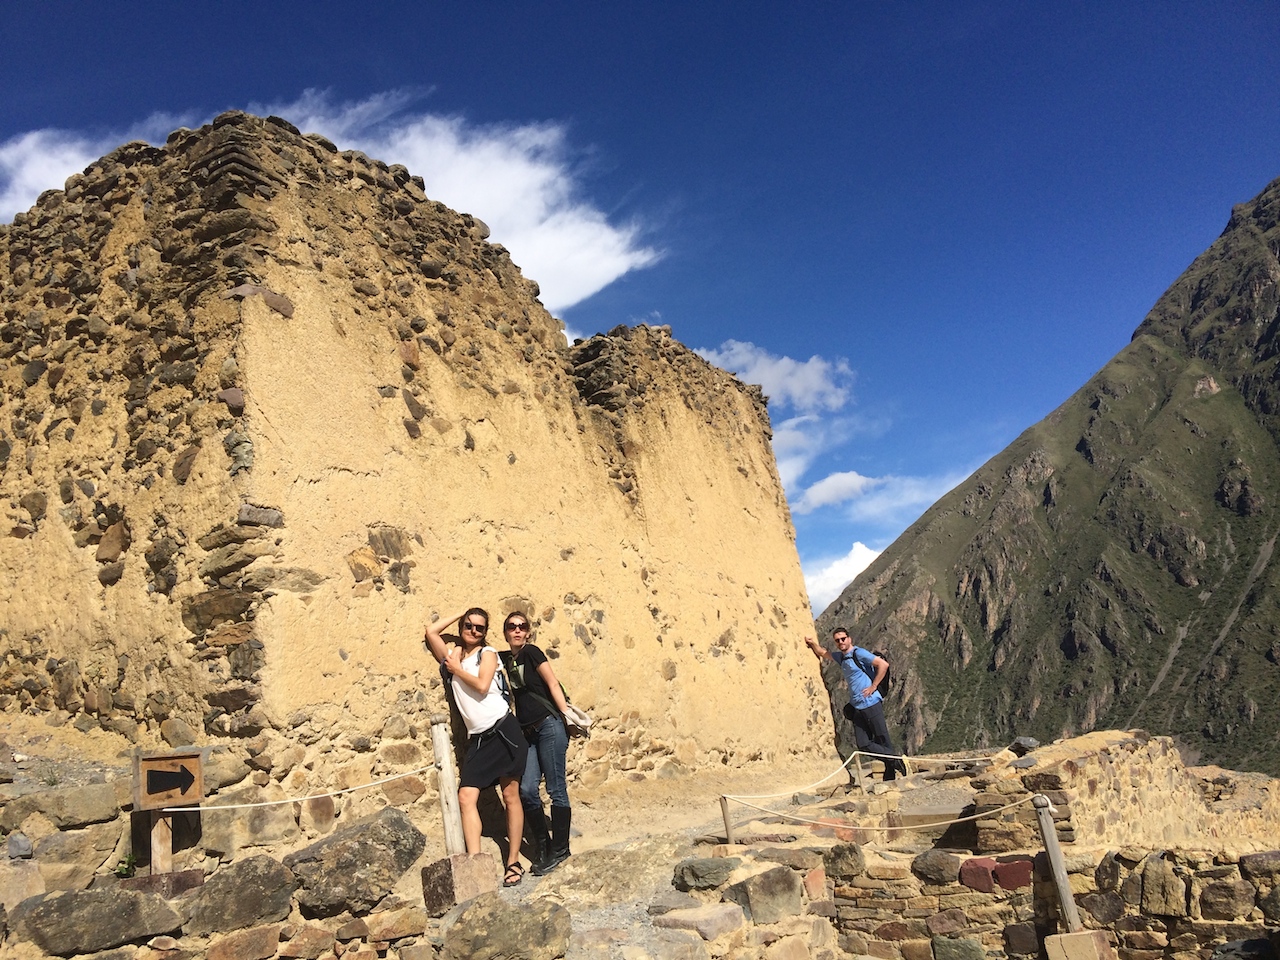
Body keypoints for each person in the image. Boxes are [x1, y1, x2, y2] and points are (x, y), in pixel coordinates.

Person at [424, 607, 528, 887]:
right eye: (468, 625)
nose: (473, 630)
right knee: (465, 797)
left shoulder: (488, 654)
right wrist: (458, 612)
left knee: (510, 795)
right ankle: (476, 865)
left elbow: (483, 685)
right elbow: (431, 632)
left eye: (479, 628)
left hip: (504, 730)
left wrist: (457, 670)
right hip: (480, 739)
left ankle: (513, 862)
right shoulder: (452, 656)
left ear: (485, 633)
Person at [500, 612, 574, 875]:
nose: (517, 631)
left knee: (556, 788)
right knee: (528, 790)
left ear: (528, 632)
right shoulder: (505, 658)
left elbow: (552, 681)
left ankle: (561, 849)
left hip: (548, 725)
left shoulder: (531, 652)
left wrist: (566, 715)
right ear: (506, 632)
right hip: (526, 733)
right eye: (512, 627)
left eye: (522, 627)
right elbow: (478, 656)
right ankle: (543, 846)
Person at [804, 628, 906, 781]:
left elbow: (883, 665)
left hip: (871, 703)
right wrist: (812, 644)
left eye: (843, 639)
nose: (840, 642)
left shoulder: (859, 653)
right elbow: (824, 653)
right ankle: (894, 759)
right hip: (857, 705)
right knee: (863, 743)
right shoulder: (842, 657)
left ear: (849, 639)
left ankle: (890, 773)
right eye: (837, 640)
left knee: (882, 739)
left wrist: (873, 686)